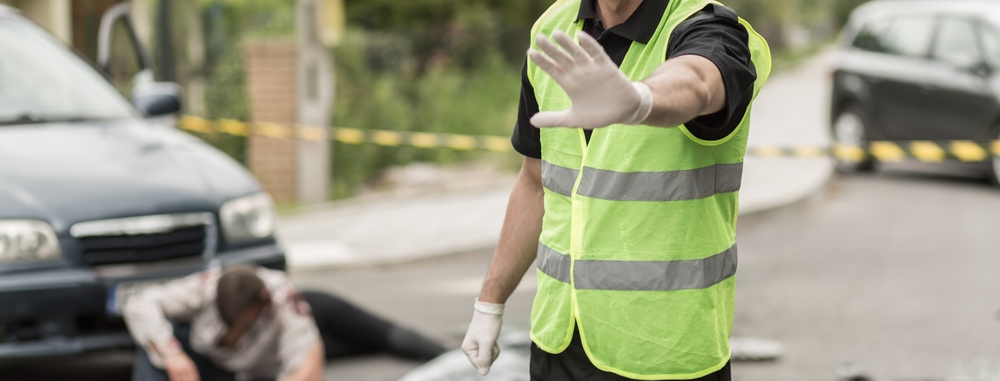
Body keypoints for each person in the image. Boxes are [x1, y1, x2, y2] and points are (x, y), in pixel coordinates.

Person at [460, 0, 771, 380]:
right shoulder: (553, 28)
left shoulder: (709, 28)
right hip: (558, 345)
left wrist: (640, 100)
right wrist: (489, 303)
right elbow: (535, 183)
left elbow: (698, 82)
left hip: (665, 356)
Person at [124, 264, 446, 381]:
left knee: (381, 337)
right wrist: (171, 352)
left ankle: (454, 356)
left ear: (257, 310)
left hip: (313, 324)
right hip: (223, 366)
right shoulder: (207, 287)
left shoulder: (287, 305)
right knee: (150, 348)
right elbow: (139, 304)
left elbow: (307, 369)